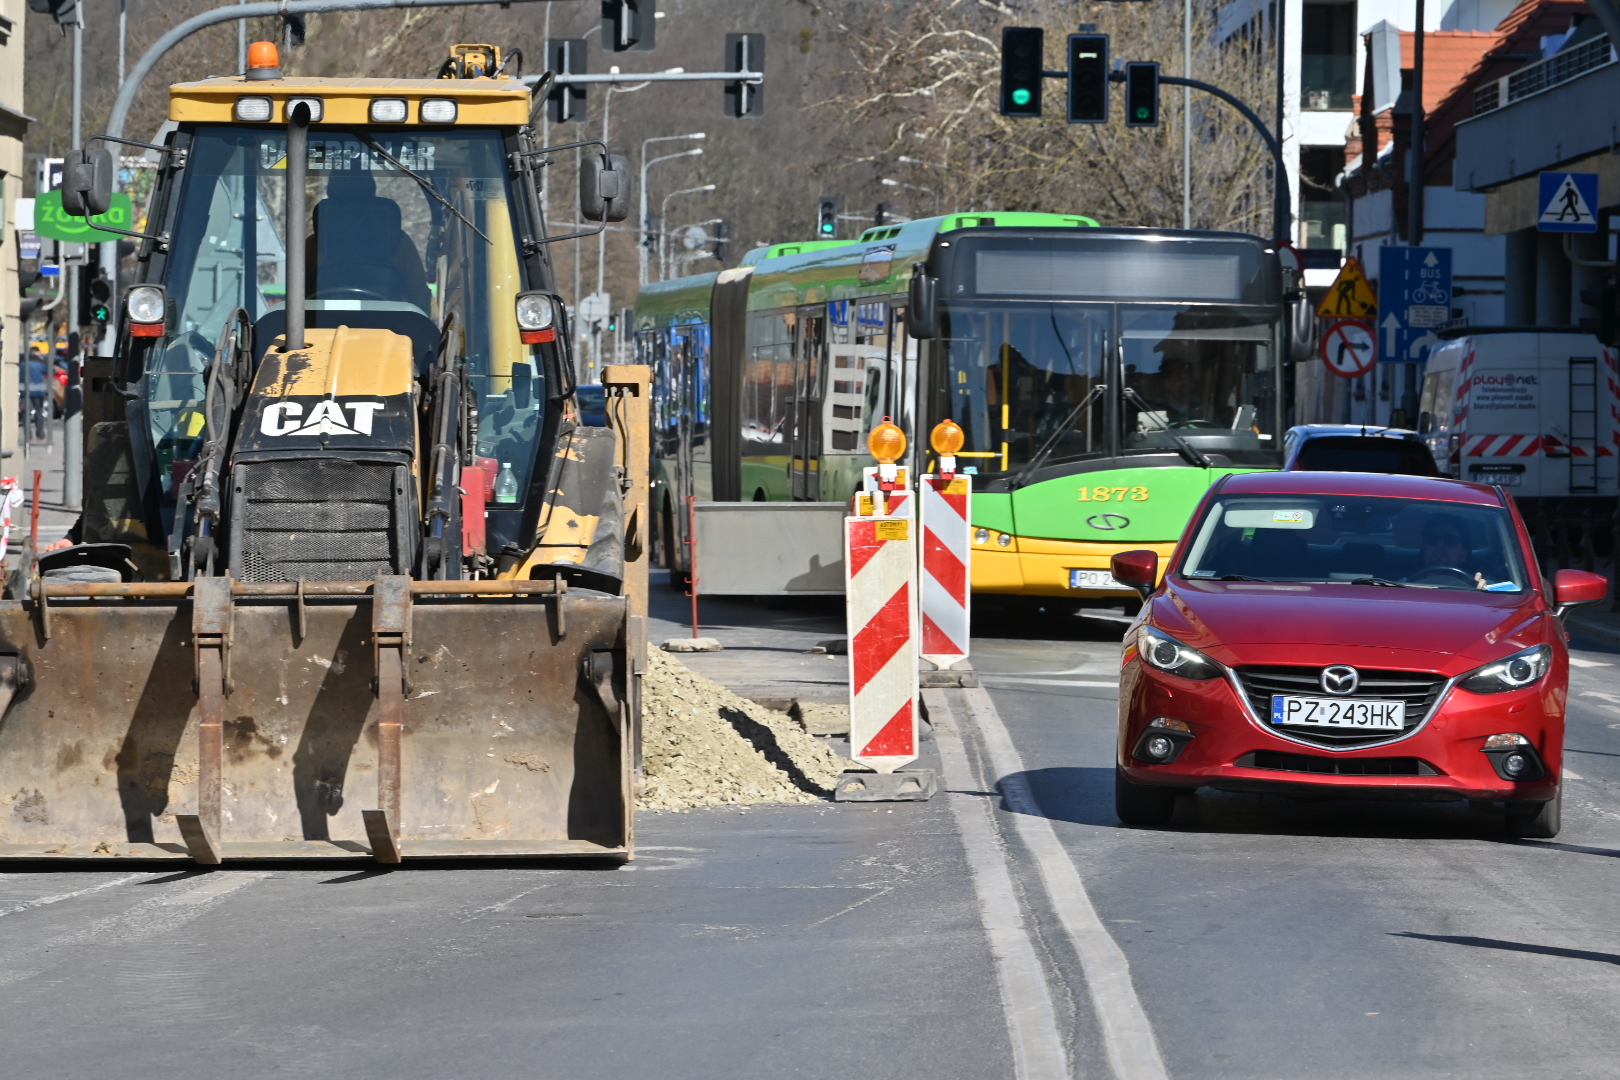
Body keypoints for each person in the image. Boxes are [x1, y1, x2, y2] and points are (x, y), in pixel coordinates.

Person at [1413, 513, 1507, 590]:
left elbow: (1513, 596)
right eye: (1432, 539)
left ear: (1463, 555)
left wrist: (1488, 593)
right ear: (1424, 549)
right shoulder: (1403, 584)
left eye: (1450, 540)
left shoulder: (1479, 585)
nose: (1440, 545)